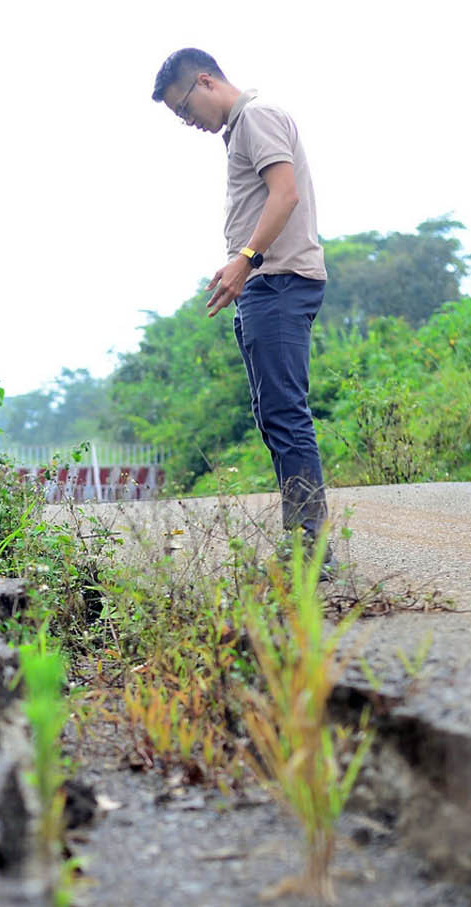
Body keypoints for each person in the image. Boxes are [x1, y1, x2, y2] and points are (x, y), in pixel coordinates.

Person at [151, 47, 332, 563]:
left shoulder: (256, 116)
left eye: (184, 108)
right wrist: (241, 272)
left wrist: (245, 261)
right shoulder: (241, 130)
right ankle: (303, 542)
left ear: (205, 82)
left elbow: (285, 194)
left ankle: (310, 549)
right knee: (271, 412)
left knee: (286, 412)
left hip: (278, 283)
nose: (187, 122)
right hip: (263, 285)